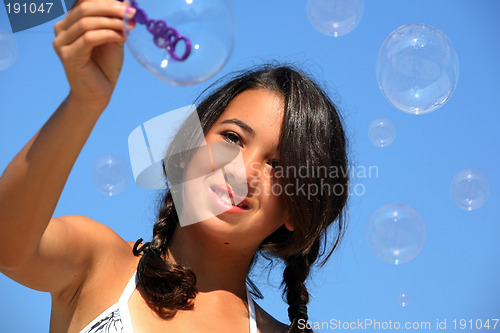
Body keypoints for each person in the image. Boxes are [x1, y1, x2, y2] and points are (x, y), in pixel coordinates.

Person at [0, 0, 349, 331]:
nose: (242, 171)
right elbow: (8, 245)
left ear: (297, 212)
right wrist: (85, 101)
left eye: (278, 166)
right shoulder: (95, 261)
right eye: (232, 138)